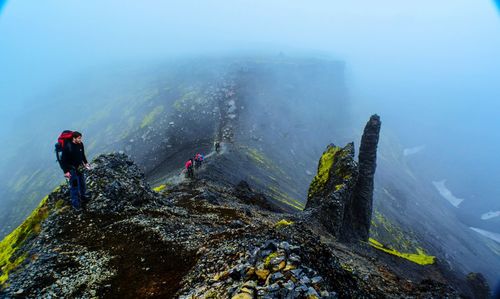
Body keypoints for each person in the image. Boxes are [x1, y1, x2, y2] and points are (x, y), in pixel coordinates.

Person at [61, 131, 91, 211]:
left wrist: (86, 163)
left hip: (80, 167)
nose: (80, 139)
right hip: (71, 170)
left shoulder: (80, 144)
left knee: (82, 183)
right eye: (79, 138)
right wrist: (66, 172)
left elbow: (82, 155)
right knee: (74, 187)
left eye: (80, 138)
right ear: (74, 138)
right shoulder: (68, 147)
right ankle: (76, 205)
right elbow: (63, 161)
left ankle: (83, 197)